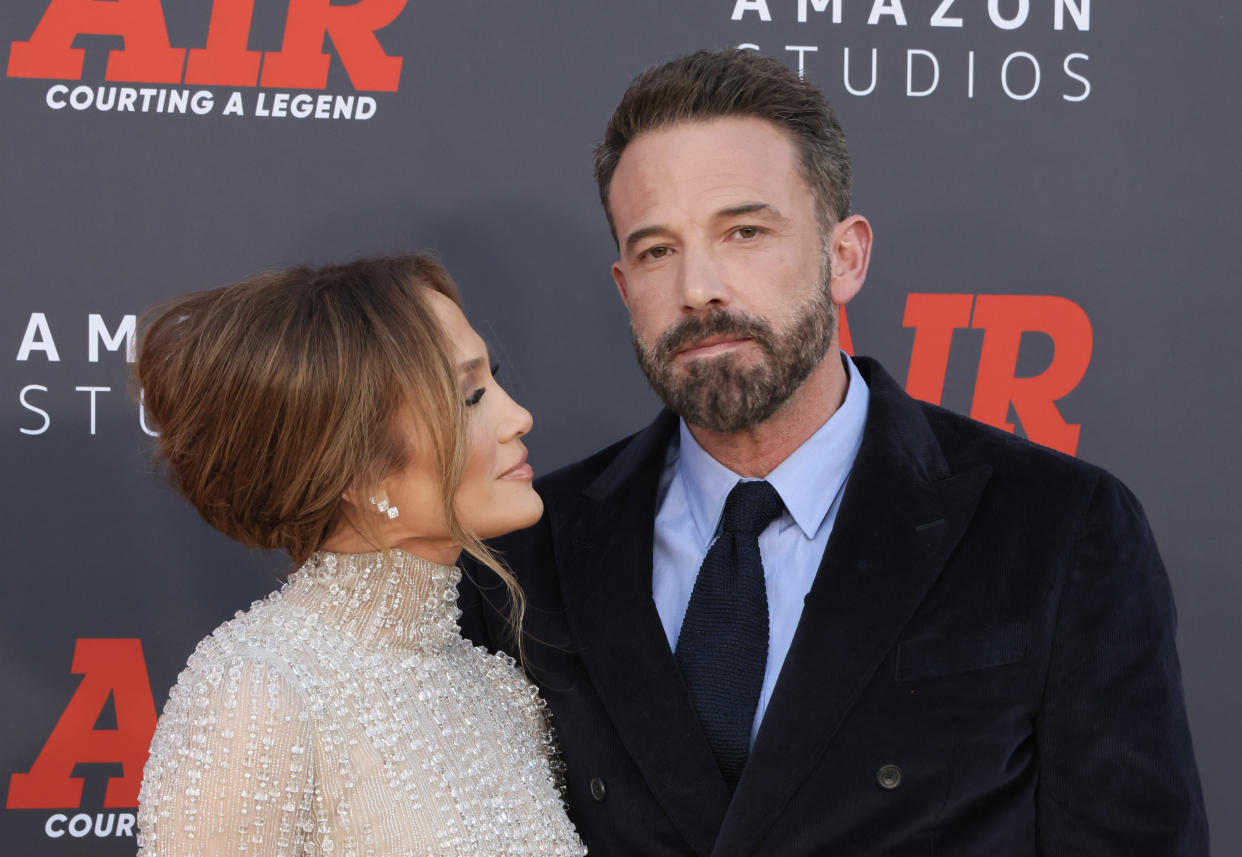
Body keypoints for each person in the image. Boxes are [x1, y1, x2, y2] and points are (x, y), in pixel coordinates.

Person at [458, 49, 1208, 856]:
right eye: (657, 250)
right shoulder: (524, 551)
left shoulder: (1057, 529)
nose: (698, 287)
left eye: (744, 231)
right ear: (623, 286)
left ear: (844, 256)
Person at [134, 256, 586, 856]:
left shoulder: (501, 695)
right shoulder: (254, 698)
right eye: (471, 396)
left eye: (493, 379)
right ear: (355, 466)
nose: (517, 417)